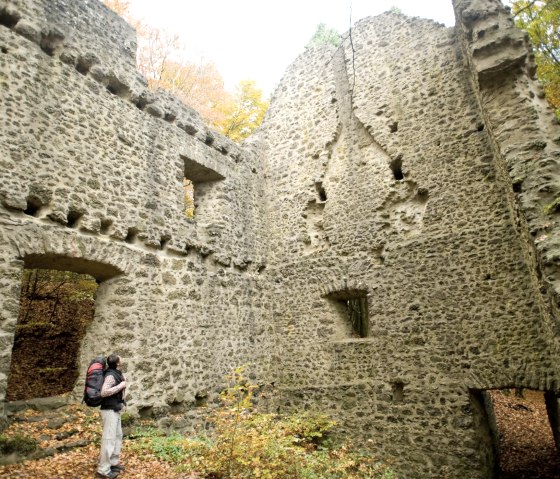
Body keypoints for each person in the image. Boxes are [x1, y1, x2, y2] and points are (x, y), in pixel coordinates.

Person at [97, 353, 127, 479]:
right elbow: (104, 392)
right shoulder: (110, 375)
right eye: (120, 358)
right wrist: (121, 386)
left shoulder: (117, 372)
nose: (122, 359)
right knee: (109, 439)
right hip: (109, 411)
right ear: (117, 363)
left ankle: (113, 463)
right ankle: (103, 470)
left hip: (115, 409)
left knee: (117, 436)